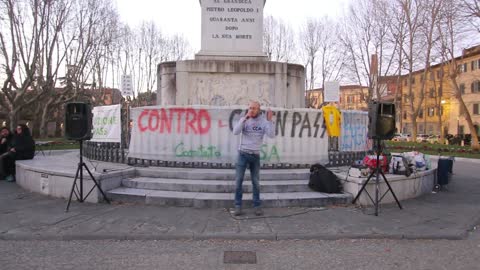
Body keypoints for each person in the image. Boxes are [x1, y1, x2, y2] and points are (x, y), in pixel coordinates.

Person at [232, 101, 275, 216]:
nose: (251, 110)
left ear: (259, 110)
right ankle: (238, 206)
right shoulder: (245, 119)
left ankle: (257, 205)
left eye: (254, 108)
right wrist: (244, 118)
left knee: (255, 182)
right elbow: (235, 132)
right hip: (243, 154)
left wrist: (270, 121)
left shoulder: (264, 122)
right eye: (250, 108)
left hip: (255, 156)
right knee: (238, 181)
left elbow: (271, 135)